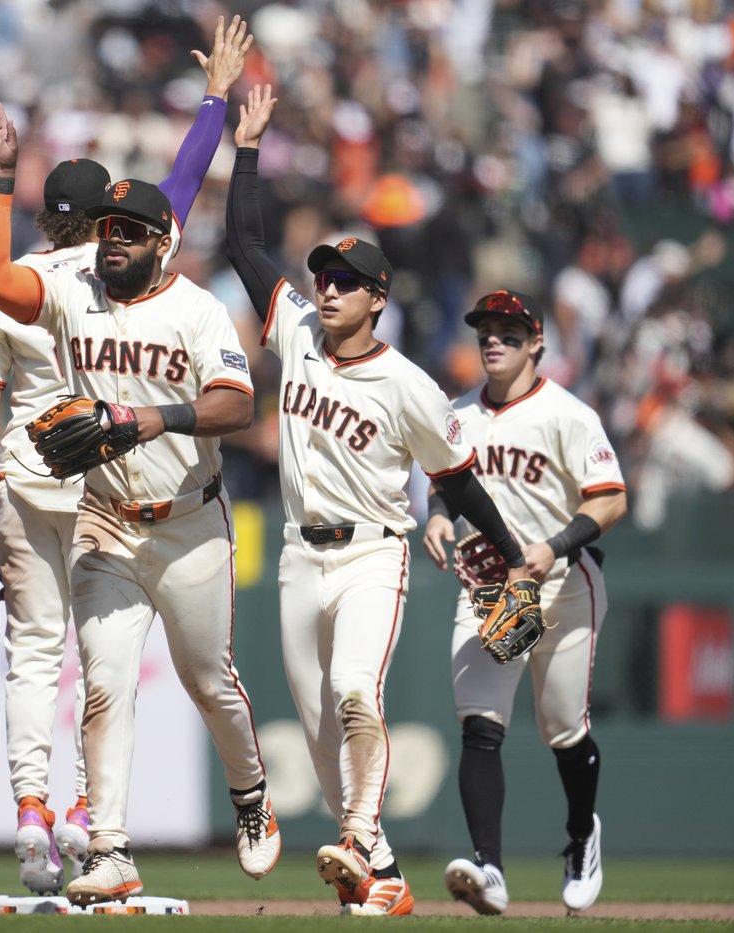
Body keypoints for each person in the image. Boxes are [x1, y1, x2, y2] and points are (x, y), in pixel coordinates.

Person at [223, 85, 539, 917]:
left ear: (378, 298)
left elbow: (458, 479)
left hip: (371, 552)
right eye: (324, 273)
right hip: (299, 552)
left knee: (358, 694)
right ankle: (386, 873)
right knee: (324, 730)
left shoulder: (411, 386)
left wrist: (508, 548)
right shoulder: (293, 330)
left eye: (347, 280)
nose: (326, 287)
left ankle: (359, 837)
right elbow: (241, 241)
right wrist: (247, 146)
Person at [0, 16, 253, 896]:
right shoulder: (124, 260)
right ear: (108, 220)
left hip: (23, 467)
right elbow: (186, 180)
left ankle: (34, 810)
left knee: (36, 654)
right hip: (99, 476)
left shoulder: (42, 274)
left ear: (52, 216)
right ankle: (94, 818)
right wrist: (214, 101)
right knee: (100, 666)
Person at [422, 289, 628, 916]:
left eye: (509, 332)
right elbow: (443, 485)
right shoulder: (456, 412)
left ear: (537, 343)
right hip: (496, 593)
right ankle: (490, 870)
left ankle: (580, 835)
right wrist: (435, 517)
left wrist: (554, 545)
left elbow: (611, 499)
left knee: (563, 730)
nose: (494, 340)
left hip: (562, 587)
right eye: (486, 330)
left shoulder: (567, 414)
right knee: (480, 725)